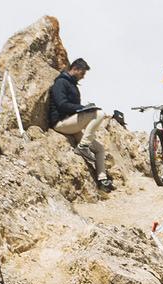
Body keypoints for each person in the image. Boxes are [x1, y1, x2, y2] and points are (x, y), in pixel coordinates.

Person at [46, 58, 113, 192]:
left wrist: (83, 109)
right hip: (61, 123)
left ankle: (102, 180)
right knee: (98, 114)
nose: (83, 77)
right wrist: (82, 108)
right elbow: (62, 104)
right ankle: (82, 147)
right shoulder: (61, 82)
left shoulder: (73, 85)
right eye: (82, 73)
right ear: (75, 69)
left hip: (72, 124)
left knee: (99, 148)